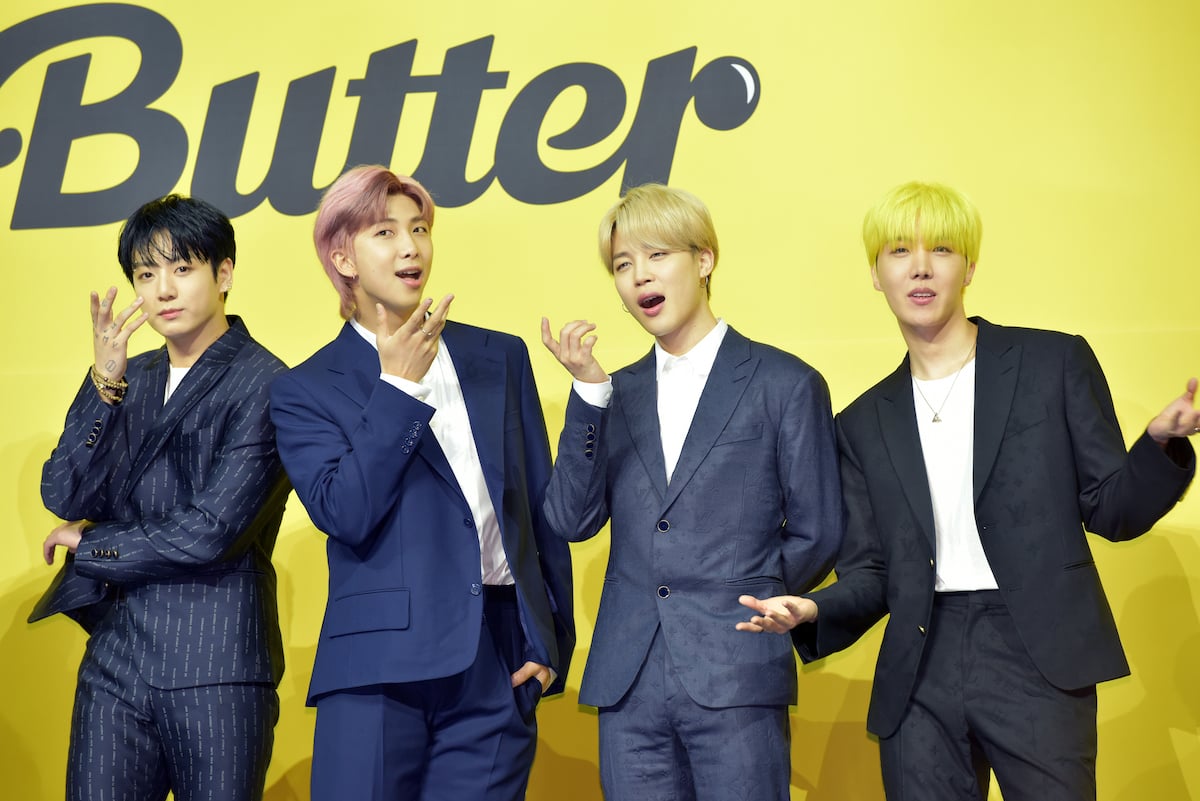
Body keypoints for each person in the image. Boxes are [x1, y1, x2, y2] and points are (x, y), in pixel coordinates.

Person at [738, 181, 1199, 800]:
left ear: (970, 268)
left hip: (1036, 651)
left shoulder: (1052, 362)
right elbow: (873, 572)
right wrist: (814, 608)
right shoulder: (861, 423)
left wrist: (1160, 446)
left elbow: (1114, 510)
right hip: (919, 663)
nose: (920, 267)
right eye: (899, 251)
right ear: (876, 274)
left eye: (942, 249)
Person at [269, 164, 574, 801]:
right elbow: (344, 512)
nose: (411, 247)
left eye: (420, 229)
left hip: (498, 658)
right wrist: (399, 389)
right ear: (343, 258)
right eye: (385, 232)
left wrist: (550, 640)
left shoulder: (500, 356)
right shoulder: (305, 387)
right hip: (377, 667)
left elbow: (537, 506)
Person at [541, 183, 842, 801]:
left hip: (737, 668)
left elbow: (819, 530)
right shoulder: (614, 393)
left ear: (704, 260)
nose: (639, 276)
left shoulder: (785, 382)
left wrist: (743, 596)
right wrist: (589, 394)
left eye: (657, 255)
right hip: (628, 681)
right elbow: (571, 519)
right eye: (622, 265)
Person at [30, 194, 290, 801]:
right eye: (146, 275)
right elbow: (63, 490)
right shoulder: (129, 376)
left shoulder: (267, 382)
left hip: (216, 663)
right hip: (116, 660)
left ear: (224, 274)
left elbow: (211, 530)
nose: (163, 290)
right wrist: (104, 383)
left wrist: (94, 545)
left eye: (182, 268)